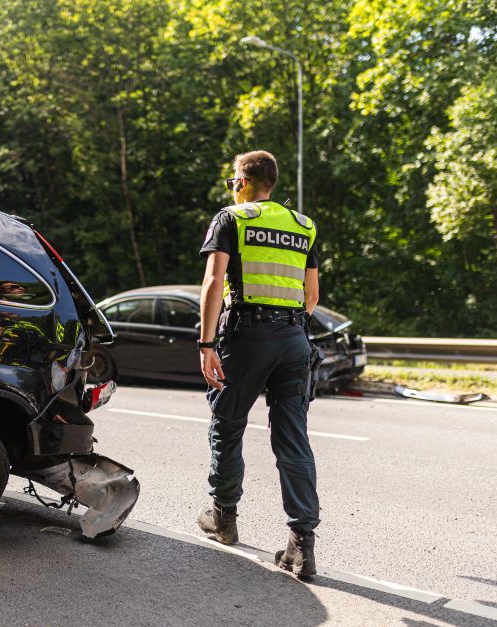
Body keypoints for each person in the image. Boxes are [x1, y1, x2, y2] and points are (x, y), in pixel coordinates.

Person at [196, 150, 321, 580]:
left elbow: (214, 282)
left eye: (234, 178)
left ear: (242, 182)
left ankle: (224, 518)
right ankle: (301, 545)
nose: (232, 185)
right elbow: (311, 296)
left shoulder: (232, 218)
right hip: (293, 340)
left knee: (227, 424)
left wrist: (207, 342)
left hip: (248, 338)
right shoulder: (303, 225)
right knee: (293, 440)